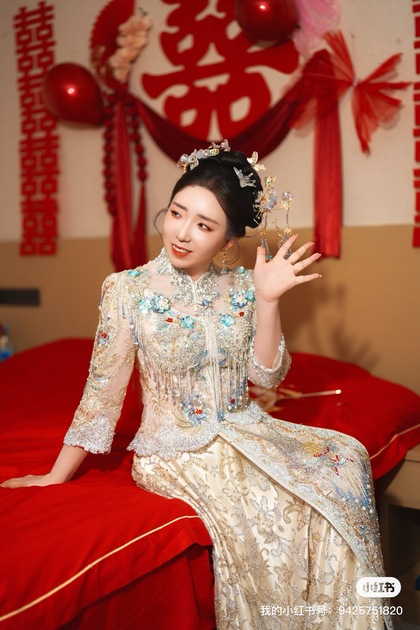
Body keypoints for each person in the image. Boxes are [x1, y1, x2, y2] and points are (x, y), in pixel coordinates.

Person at [2, 141, 389, 629]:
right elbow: (102, 393)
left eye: (204, 225)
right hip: (174, 449)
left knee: (346, 458)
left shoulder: (245, 285)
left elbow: (266, 375)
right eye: (177, 213)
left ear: (228, 240)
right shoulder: (127, 290)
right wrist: (55, 476)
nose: (182, 233)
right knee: (270, 500)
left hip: (247, 428)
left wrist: (268, 301)